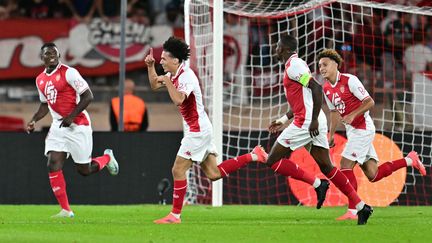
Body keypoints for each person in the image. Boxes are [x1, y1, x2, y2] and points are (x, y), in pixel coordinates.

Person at [145, 37, 268, 224]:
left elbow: (179, 99)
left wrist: (167, 82)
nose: (161, 61)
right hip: (201, 128)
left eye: (163, 58)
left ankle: (175, 216)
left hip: (197, 130)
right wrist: (150, 66)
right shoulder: (174, 75)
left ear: (176, 60)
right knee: (213, 174)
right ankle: (254, 155)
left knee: (178, 170)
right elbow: (154, 84)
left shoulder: (186, 76)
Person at [266, 35, 373, 225]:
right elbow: (304, 98)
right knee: (327, 167)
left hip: (307, 122)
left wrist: (313, 120)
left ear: (284, 48)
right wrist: (283, 119)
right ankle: (361, 206)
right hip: (310, 119)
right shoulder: (294, 66)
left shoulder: (294, 65)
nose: (275, 49)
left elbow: (316, 88)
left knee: (272, 160)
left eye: (277, 46)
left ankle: (318, 184)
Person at [317, 49, 426, 220]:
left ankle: (354, 210)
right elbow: (333, 112)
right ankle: (410, 160)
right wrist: (331, 135)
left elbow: (369, 102)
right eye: (319, 66)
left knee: (345, 165)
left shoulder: (349, 80)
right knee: (373, 174)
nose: (321, 68)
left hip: (363, 127)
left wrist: (353, 114)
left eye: (325, 64)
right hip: (352, 131)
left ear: (335, 64)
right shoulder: (326, 88)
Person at [26, 42, 119, 218]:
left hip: (78, 125)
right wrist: (33, 120)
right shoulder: (40, 80)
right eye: (47, 53)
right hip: (58, 126)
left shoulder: (69, 72)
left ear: (59, 55)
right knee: (53, 163)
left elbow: (88, 96)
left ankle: (106, 158)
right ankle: (66, 210)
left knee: (84, 170)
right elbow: (45, 105)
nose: (51, 55)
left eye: (54, 52)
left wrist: (71, 116)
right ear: (42, 57)